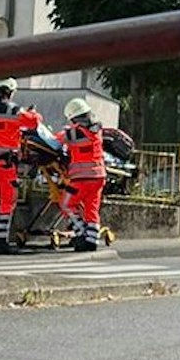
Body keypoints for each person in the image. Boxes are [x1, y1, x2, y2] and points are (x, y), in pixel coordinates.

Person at [0, 79, 40, 253]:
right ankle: (0, 240)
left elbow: (3, 128)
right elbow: (33, 122)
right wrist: (33, 112)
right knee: (7, 201)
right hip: (6, 163)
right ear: (9, 91)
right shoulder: (13, 109)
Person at [61, 98, 108, 251]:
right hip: (98, 176)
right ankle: (91, 241)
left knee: (66, 204)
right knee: (91, 209)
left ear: (74, 117)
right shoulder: (97, 129)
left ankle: (81, 233)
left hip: (81, 178)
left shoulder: (72, 133)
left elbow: (56, 140)